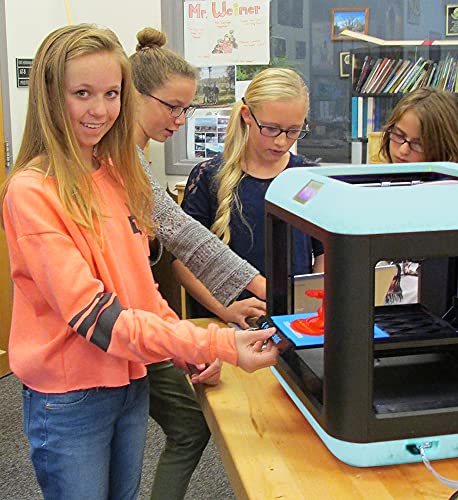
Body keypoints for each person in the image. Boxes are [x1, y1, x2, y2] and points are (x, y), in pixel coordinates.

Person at [0, 24, 278, 500]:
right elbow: (98, 318)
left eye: (111, 93)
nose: (100, 110)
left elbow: (141, 294)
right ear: (49, 96)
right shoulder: (31, 192)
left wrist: (187, 347)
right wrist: (219, 342)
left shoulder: (115, 173)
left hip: (128, 379)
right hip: (71, 397)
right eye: (82, 93)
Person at [129, 27, 266, 500]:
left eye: (186, 109)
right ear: (134, 93)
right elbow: (185, 236)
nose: (181, 120)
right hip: (121, 331)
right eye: (173, 107)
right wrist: (261, 286)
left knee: (186, 427)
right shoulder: (122, 162)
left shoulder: (136, 157)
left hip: (144, 320)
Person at [172, 67, 324, 319]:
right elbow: (182, 261)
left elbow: (323, 253)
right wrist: (224, 310)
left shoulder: (309, 180)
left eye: (293, 131)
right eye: (271, 128)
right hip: (225, 323)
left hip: (293, 320)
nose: (281, 142)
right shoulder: (208, 176)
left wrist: (312, 307)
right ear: (247, 115)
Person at [379, 86, 458, 303]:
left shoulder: (457, 202)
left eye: (417, 143)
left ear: (442, 146)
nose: (403, 150)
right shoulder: (380, 188)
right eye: (398, 136)